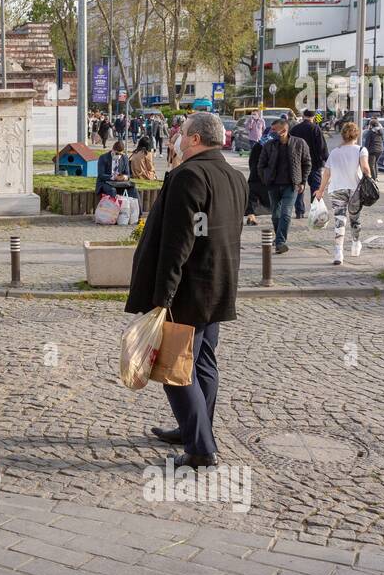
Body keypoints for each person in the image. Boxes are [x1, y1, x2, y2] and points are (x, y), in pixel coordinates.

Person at [129, 112, 246, 468]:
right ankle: (193, 429)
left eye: (181, 133)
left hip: (187, 291)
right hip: (219, 285)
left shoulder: (188, 176)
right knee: (204, 363)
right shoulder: (235, 176)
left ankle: (200, 449)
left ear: (194, 139)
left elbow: (178, 243)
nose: (177, 137)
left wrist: (161, 298)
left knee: (174, 369)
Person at [315, 121, 372, 265]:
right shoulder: (361, 150)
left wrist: (320, 191)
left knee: (339, 220)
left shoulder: (335, 152)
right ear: (356, 135)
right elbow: (365, 168)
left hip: (337, 189)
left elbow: (326, 173)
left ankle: (338, 252)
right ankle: (355, 243)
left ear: (343, 135)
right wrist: (370, 179)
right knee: (355, 218)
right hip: (354, 190)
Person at [257, 118, 311, 254]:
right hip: (273, 185)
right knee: (275, 215)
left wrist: (303, 181)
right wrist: (265, 178)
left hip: (291, 185)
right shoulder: (269, 145)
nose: (275, 132)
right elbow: (261, 164)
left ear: (286, 129)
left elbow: (307, 163)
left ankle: (280, 242)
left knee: (286, 214)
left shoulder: (299, 143)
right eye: (274, 130)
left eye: (278, 130)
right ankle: (279, 238)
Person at [289, 108, 328, 219]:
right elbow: (321, 146)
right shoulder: (315, 129)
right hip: (314, 163)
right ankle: (315, 210)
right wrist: (326, 159)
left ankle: (299, 211)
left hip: (298, 163)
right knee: (315, 187)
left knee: (299, 187)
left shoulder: (295, 129)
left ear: (303, 116)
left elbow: (290, 145)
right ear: (313, 117)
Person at [244, 133, 269, 226]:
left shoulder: (257, 146)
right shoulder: (274, 145)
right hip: (268, 178)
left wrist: (253, 171)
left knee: (251, 197)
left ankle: (251, 216)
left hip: (255, 177)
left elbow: (251, 161)